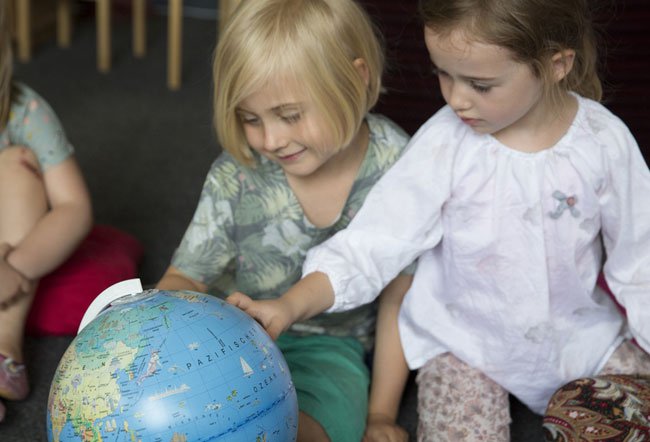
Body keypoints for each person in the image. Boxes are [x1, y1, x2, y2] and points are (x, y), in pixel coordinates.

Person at [227, 0, 650, 440]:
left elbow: (641, 261)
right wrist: (288, 305)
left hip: (579, 335)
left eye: (481, 85)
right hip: (462, 342)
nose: (456, 98)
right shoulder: (446, 142)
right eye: (443, 74)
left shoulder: (604, 142)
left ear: (557, 65)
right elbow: (374, 243)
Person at [155, 0, 414, 440]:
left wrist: (381, 415)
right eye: (250, 118)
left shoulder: (399, 167)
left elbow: (401, 298)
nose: (271, 140)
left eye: (290, 115)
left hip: (327, 347)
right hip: (226, 333)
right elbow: (186, 276)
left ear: (357, 76)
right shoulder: (237, 171)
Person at [0, 3, 93, 423]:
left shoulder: (24, 110)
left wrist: (14, 269)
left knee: (18, 163)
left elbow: (74, 208)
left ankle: (5, 345)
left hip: (8, 248)